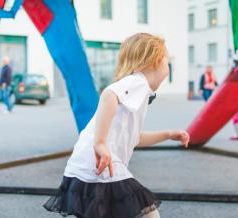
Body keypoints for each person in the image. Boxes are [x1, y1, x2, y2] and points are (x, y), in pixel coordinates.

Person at [43, 33, 190, 218]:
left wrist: (168, 134)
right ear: (155, 61)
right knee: (149, 215)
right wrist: (100, 143)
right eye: (166, 60)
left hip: (86, 167)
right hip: (101, 166)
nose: (168, 66)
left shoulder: (138, 92)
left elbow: (134, 138)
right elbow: (109, 94)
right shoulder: (138, 82)